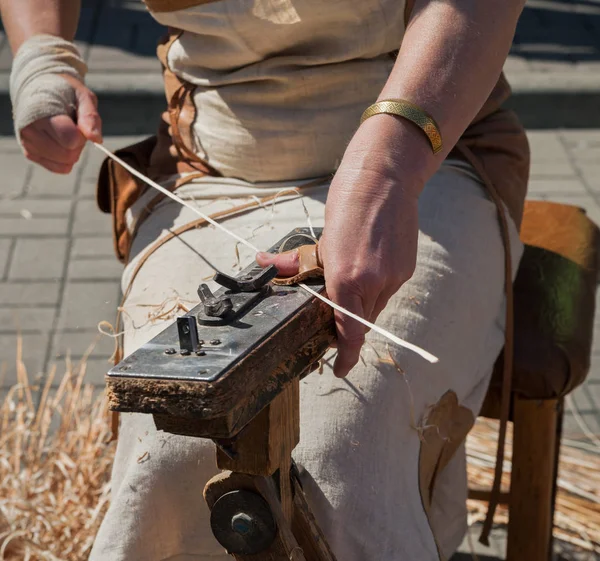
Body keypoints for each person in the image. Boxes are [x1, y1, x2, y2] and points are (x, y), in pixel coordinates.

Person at [2, 0, 530, 559]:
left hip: (424, 154)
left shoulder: (404, 165)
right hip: (214, 178)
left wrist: (387, 170)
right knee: (172, 444)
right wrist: (42, 60)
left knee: (336, 452)